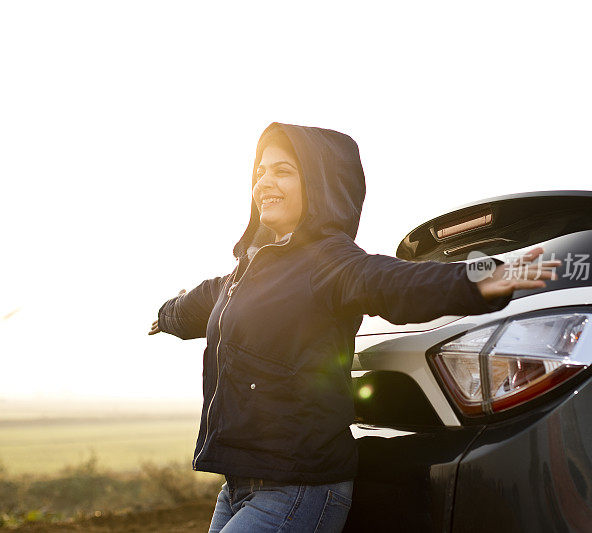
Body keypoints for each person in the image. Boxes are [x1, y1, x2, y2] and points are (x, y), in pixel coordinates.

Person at [149, 123, 558, 532]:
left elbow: (392, 282)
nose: (264, 183)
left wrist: (479, 279)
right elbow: (199, 304)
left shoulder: (327, 260)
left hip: (297, 488)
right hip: (238, 486)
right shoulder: (244, 272)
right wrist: (166, 315)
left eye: (283, 171)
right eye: (260, 172)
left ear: (317, 182)